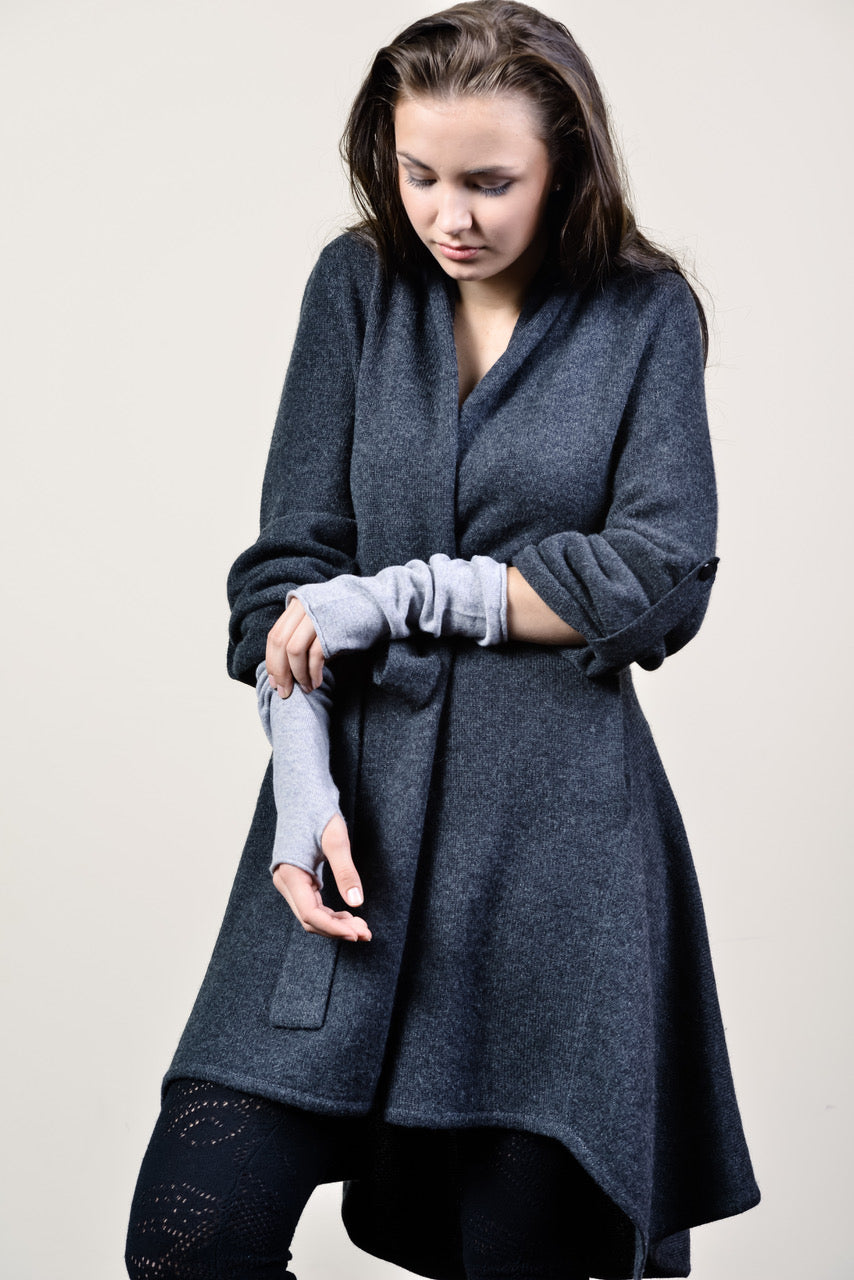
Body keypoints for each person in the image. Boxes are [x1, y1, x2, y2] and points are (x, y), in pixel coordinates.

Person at [124, 3, 761, 1277]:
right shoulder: (355, 287)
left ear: (565, 165)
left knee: (514, 1253)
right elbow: (288, 568)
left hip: (552, 862)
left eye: (487, 182)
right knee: (189, 1242)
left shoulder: (640, 314)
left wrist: (404, 594)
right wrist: (299, 770)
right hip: (350, 833)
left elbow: (656, 575)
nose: (446, 214)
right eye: (418, 173)